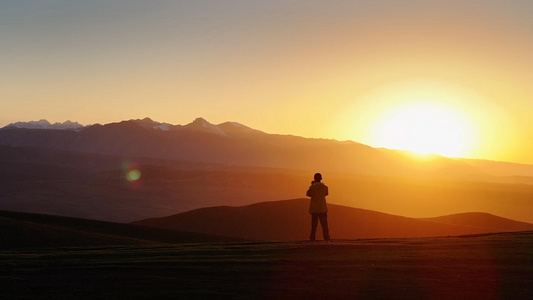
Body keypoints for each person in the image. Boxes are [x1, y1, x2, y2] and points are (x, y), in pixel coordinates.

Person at [306, 173, 331, 245]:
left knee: (314, 226)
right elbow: (326, 193)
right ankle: (327, 240)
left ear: (314, 179)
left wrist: (312, 185)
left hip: (314, 209)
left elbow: (308, 194)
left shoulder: (312, 188)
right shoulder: (325, 187)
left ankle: (312, 241)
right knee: (325, 225)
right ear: (321, 179)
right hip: (323, 208)